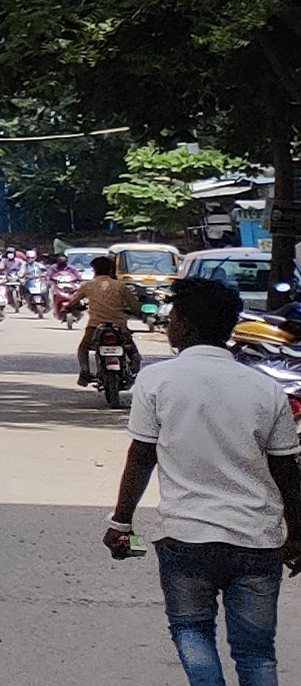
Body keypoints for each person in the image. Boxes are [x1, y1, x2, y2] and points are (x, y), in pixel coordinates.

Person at [107, 275, 301, 686]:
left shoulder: (157, 381)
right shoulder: (265, 389)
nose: (170, 325)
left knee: (192, 632)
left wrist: (121, 522)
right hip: (256, 539)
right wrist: (298, 534)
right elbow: (287, 469)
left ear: (188, 326)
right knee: (256, 654)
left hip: (186, 537)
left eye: (174, 317)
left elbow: (141, 456)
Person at [88, 256, 147, 384]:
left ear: (95, 270)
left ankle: (84, 372)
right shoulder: (121, 286)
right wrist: (141, 315)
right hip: (119, 326)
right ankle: (134, 371)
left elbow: (73, 302)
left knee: (83, 348)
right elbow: (134, 306)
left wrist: (69, 308)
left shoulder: (89, 285)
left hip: (95, 327)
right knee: (132, 350)